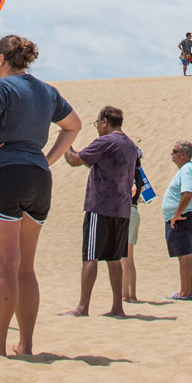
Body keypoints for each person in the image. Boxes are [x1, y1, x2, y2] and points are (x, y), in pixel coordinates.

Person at [0, 35, 82, 358]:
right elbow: (73, 125)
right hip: (38, 177)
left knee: (5, 263)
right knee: (25, 266)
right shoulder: (46, 91)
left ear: (1, 59)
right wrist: (47, 158)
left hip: (4, 174)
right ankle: (26, 344)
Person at [61, 105, 138, 317]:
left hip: (101, 206)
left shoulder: (106, 141)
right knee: (114, 259)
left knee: (91, 256)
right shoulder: (130, 145)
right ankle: (117, 307)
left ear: (105, 121)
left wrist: (65, 142)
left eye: (98, 124)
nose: (97, 128)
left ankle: (82, 307)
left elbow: (75, 160)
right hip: (122, 209)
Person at [163, 140, 192, 300]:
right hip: (189, 214)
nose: (172, 154)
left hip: (184, 217)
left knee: (185, 254)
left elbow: (187, 193)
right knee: (186, 253)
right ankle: (189, 291)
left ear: (183, 155)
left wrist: (178, 213)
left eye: (174, 151)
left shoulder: (188, 169)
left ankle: (185, 292)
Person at [121, 148, 144, 302]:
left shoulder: (130, 172)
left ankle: (124, 295)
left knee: (123, 257)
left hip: (127, 211)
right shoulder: (139, 173)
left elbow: (133, 190)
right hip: (134, 211)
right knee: (130, 258)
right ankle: (132, 294)